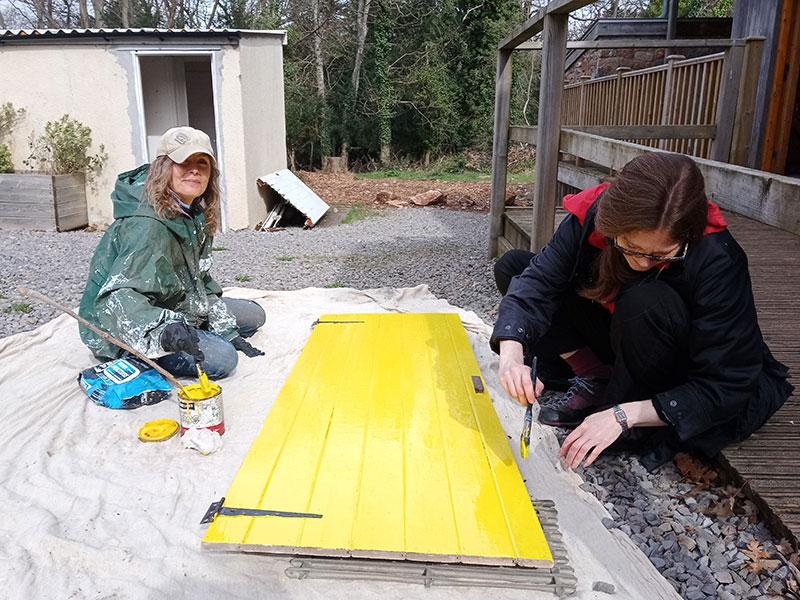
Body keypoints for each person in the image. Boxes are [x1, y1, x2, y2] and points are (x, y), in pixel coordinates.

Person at [491, 153, 792, 471]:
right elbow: (537, 284)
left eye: (659, 254)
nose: (642, 262)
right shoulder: (598, 212)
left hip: (675, 360)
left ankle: (627, 408)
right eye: (629, 247)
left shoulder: (718, 260)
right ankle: (595, 374)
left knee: (644, 299)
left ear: (687, 237)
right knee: (516, 269)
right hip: (624, 333)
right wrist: (511, 358)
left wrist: (623, 415)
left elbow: (728, 383)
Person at [79, 126, 265, 379]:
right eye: (183, 162)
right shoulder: (147, 226)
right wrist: (164, 331)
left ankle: (194, 329)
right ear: (163, 168)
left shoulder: (191, 212)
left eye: (202, 163)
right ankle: (137, 354)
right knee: (223, 359)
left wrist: (227, 330)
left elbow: (199, 280)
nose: (194, 170)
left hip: (176, 303)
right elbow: (117, 299)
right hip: (120, 327)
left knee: (255, 314)